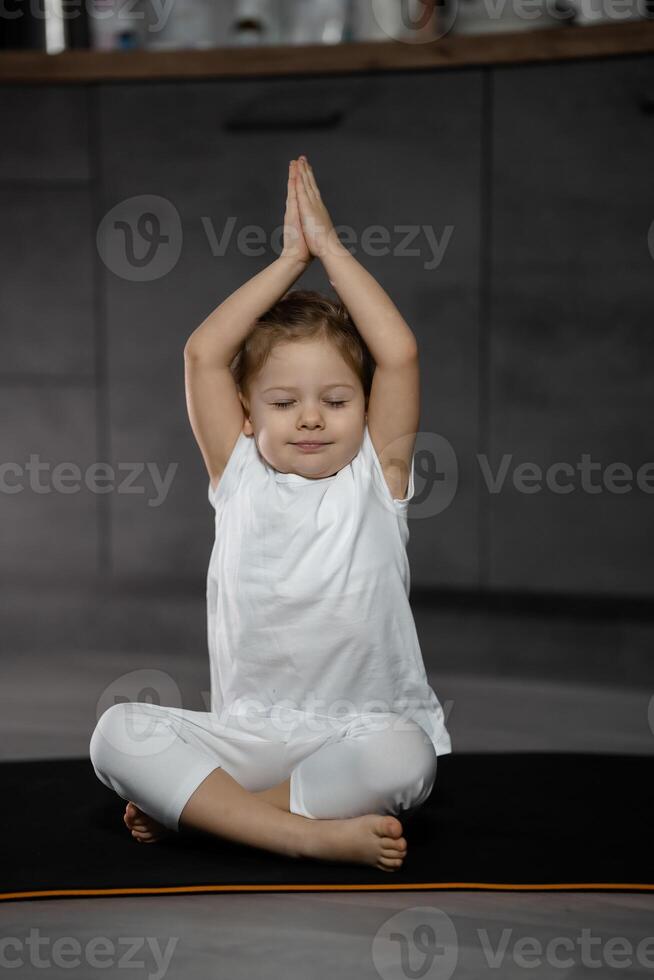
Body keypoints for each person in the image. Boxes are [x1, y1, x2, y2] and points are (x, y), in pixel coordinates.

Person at [89, 156, 451, 872]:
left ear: (365, 408)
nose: (311, 417)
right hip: (250, 740)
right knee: (115, 734)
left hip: (356, 738)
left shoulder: (378, 476)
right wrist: (290, 259)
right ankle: (302, 831)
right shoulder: (239, 472)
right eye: (284, 402)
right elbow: (203, 354)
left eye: (338, 400)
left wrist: (331, 249)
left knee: (408, 756)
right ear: (248, 414)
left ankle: (217, 818)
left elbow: (399, 352)